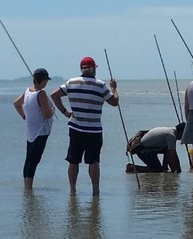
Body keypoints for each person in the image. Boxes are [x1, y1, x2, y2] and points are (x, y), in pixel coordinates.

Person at [51, 56, 118, 195]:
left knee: (73, 160)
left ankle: (72, 190)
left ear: (81, 69)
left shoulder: (71, 82)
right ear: (93, 69)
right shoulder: (100, 85)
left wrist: (65, 112)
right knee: (93, 161)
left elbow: (54, 95)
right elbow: (114, 102)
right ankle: (95, 190)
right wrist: (114, 88)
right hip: (94, 130)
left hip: (75, 127)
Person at [12, 67, 55, 189]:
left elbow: (16, 104)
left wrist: (24, 116)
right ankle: (29, 187)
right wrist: (53, 110)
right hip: (41, 131)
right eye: (46, 80)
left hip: (31, 132)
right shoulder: (41, 94)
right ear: (42, 80)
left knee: (29, 159)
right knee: (35, 160)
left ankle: (27, 187)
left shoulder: (27, 91)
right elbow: (47, 114)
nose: (46, 83)